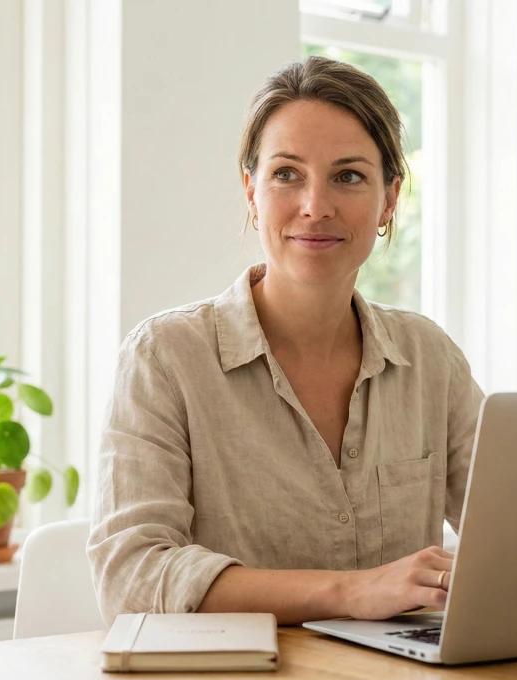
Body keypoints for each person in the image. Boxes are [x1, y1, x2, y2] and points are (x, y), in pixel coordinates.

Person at [87, 56, 484, 626]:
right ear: (251, 190)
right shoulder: (166, 357)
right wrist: (350, 592)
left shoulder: (430, 359)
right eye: (286, 174)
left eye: (348, 176)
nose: (315, 206)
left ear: (389, 200)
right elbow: (130, 575)